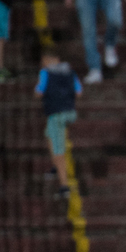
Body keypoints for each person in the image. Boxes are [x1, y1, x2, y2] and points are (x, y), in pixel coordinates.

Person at [35, 49, 82, 200]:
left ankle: (64, 187)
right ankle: (56, 167)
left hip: (56, 114)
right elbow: (79, 92)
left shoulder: (45, 73)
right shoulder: (70, 72)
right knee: (49, 134)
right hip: (70, 112)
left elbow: (39, 91)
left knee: (58, 150)